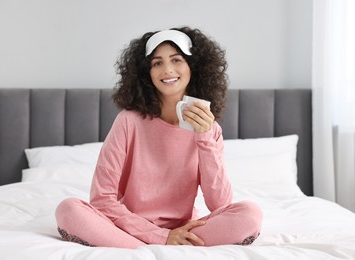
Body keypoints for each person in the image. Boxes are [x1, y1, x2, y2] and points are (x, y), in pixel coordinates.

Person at [55, 26, 262, 248]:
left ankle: (146, 248)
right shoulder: (128, 121)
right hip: (129, 227)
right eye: (157, 63)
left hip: (183, 229)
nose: (167, 70)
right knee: (69, 210)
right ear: (147, 73)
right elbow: (102, 199)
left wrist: (204, 137)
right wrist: (159, 236)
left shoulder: (210, 129)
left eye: (176, 60)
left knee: (250, 214)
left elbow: (219, 205)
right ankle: (154, 249)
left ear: (193, 67)